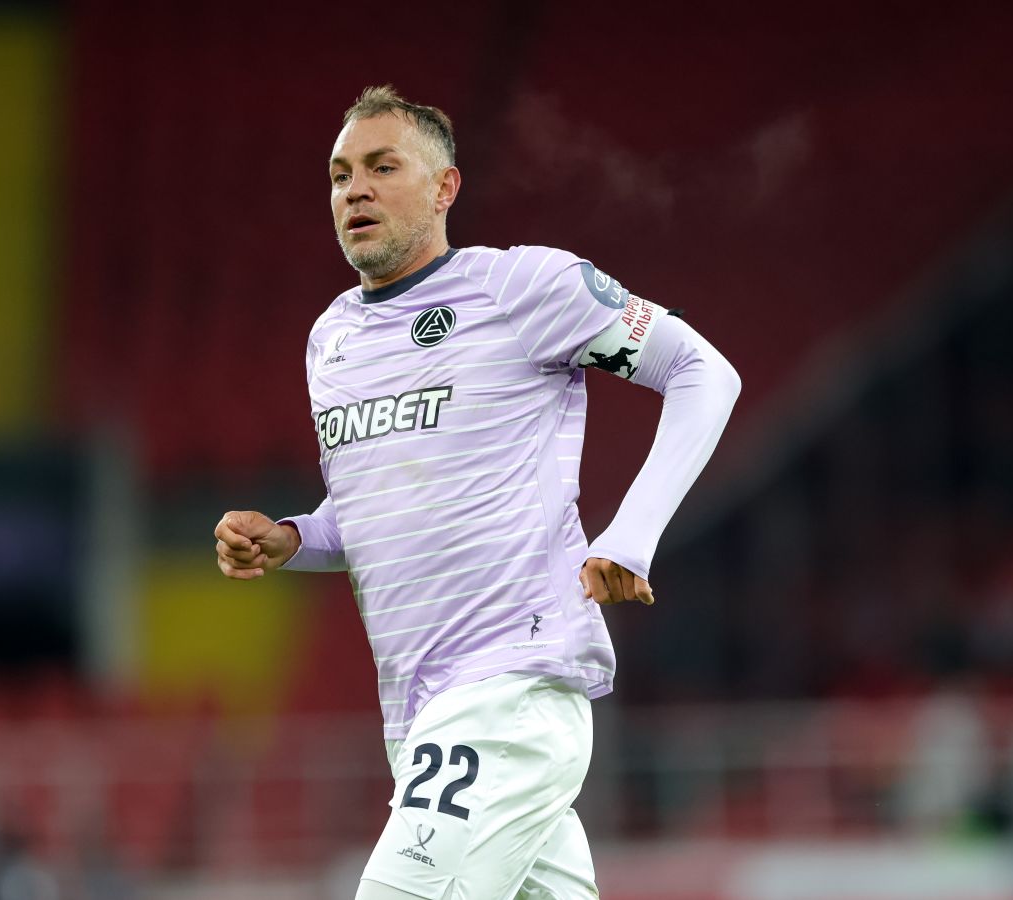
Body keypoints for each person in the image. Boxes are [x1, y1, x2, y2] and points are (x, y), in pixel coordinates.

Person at [214, 86, 741, 899]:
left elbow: (702, 371)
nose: (355, 190)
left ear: (444, 187)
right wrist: (292, 538)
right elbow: (373, 513)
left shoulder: (522, 286)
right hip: (420, 714)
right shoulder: (333, 339)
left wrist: (629, 535)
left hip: (508, 691)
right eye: (340, 174)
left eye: (383, 167)